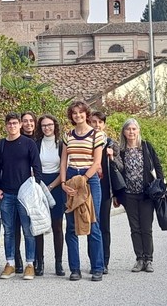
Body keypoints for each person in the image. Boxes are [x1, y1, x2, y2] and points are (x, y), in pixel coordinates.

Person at [0, 112, 43, 281]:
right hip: (7, 194)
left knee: (28, 230)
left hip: (26, 195)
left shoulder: (29, 144)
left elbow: (37, 167)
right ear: (5, 125)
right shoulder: (1, 145)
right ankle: (10, 264)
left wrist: (35, 189)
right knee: (8, 231)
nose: (12, 126)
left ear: (20, 125)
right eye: (9, 123)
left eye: (15, 123)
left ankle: (30, 265)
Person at [59, 101, 105, 282]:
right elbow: (63, 161)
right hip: (70, 177)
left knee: (92, 223)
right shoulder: (67, 135)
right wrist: (63, 182)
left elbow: (97, 162)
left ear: (87, 114)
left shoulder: (97, 135)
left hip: (89, 179)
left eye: (81, 112)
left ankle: (97, 268)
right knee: (71, 226)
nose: (77, 116)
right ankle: (75, 269)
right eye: (74, 113)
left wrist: (84, 179)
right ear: (71, 116)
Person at [118, 118, 164, 273]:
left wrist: (161, 187)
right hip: (129, 195)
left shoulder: (146, 147)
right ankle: (139, 259)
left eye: (134, 129)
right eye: (128, 129)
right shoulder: (121, 151)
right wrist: (117, 196)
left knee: (146, 227)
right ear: (124, 132)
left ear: (138, 131)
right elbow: (117, 172)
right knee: (134, 228)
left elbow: (157, 167)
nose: (131, 132)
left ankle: (148, 259)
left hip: (146, 194)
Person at [90, 111, 123, 275]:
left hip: (105, 190)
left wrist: (112, 157)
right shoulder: (87, 142)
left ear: (104, 125)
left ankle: (104, 262)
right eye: (94, 122)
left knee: (104, 227)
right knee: (91, 226)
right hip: (89, 190)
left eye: (100, 122)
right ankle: (94, 261)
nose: (97, 125)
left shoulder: (111, 143)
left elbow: (121, 167)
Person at [35, 114, 65, 276]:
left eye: (50, 125)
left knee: (57, 226)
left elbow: (64, 169)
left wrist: (52, 186)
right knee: (39, 225)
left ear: (55, 126)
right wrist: (40, 185)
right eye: (44, 125)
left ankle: (58, 263)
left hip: (57, 184)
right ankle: (40, 263)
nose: (47, 128)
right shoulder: (36, 144)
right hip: (39, 185)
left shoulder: (61, 144)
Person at [13, 111, 37, 272]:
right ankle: (17, 260)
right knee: (13, 228)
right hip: (13, 188)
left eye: (31, 121)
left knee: (31, 227)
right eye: (25, 121)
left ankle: (35, 261)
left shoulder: (37, 141)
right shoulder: (12, 141)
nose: (28, 124)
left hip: (30, 188)